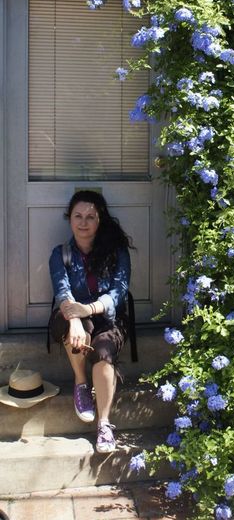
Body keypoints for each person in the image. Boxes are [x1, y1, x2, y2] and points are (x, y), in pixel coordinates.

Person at [49, 190, 133, 453]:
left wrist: (87, 309)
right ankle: (81, 383)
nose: (83, 222)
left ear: (100, 220)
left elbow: (118, 292)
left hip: (108, 317)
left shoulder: (117, 252)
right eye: (78, 216)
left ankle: (104, 423)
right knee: (76, 328)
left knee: (103, 352)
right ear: (69, 219)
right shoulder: (60, 254)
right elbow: (62, 291)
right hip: (73, 315)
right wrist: (75, 317)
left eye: (90, 217)